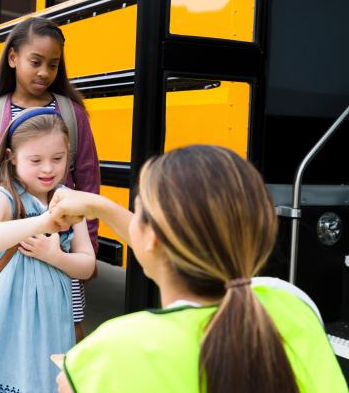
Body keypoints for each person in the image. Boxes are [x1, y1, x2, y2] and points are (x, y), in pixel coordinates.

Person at [49, 145, 348, 393]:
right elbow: (176, 243)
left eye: (138, 211)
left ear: (152, 237)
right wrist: (99, 206)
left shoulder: (108, 353)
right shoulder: (294, 304)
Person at [0, 17, 100, 339]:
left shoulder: (71, 113)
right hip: (6, 249)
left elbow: (88, 178)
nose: (44, 72)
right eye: (35, 62)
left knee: (66, 325)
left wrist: (87, 247)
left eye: (53, 65)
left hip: (61, 247)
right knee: (7, 328)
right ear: (13, 58)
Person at [0, 108, 95, 392]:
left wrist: (55, 256)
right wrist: (43, 222)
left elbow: (87, 264)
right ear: (11, 156)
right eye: (35, 160)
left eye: (58, 159)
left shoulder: (68, 200)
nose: (48, 169)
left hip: (51, 321)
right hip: (3, 322)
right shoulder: (0, 195)